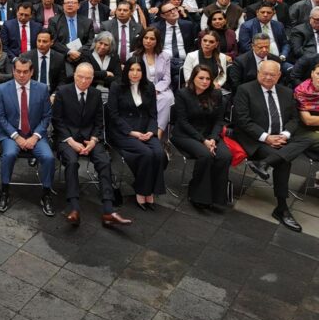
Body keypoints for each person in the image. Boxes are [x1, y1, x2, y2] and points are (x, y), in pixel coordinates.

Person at [233, 59, 307, 232]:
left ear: (279, 75)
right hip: (255, 139)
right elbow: (242, 120)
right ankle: (282, 208)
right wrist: (267, 138)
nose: (268, 77)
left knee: (307, 140)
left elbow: (294, 119)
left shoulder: (287, 92)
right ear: (258, 73)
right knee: (283, 161)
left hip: (281, 138)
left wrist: (284, 135)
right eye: (264, 73)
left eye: (272, 75)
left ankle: (263, 164)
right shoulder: (245, 90)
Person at [54, 63, 131, 227]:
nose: (84, 81)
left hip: (90, 139)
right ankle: (74, 207)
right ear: (75, 75)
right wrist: (71, 141)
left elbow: (99, 122)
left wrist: (94, 140)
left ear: (92, 79)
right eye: (80, 77)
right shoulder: (62, 92)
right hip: (68, 139)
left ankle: (108, 210)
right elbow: (57, 121)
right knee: (72, 162)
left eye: (88, 78)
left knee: (104, 161)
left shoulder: (96, 94)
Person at [0, 55, 56, 216]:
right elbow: (0, 117)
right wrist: (16, 136)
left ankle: (46, 194)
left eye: (25, 71)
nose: (21, 75)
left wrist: (35, 137)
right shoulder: (2, 89)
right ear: (13, 71)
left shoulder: (42, 89)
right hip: (11, 134)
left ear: (31, 72)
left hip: (35, 134)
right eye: (18, 71)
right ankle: (4, 191)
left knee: (49, 158)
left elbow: (46, 117)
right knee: (9, 154)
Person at [107, 58, 167, 210]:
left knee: (159, 153)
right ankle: (142, 191)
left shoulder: (149, 86)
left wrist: (151, 131)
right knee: (146, 153)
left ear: (143, 71)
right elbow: (113, 115)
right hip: (122, 131)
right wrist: (132, 132)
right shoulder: (116, 86)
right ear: (126, 70)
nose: (135, 73)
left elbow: (153, 114)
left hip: (146, 129)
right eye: (131, 69)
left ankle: (150, 189)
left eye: (138, 70)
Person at [172, 64, 232, 212]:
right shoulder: (183, 94)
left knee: (225, 156)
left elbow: (219, 121)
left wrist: (213, 139)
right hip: (185, 134)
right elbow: (183, 122)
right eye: (201, 78)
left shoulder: (216, 94)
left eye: (208, 79)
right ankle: (197, 196)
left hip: (209, 135)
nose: (205, 81)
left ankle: (216, 198)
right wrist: (203, 140)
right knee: (205, 155)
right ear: (193, 78)